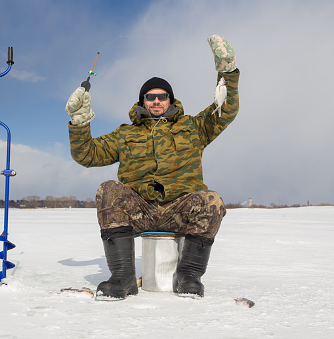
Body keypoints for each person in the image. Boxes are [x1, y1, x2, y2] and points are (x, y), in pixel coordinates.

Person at [65, 35, 240, 300]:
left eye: (162, 96)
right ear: (142, 101)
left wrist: (227, 73)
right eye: (150, 97)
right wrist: (79, 123)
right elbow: (87, 154)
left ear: (170, 99)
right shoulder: (125, 134)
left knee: (211, 200)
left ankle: (189, 277)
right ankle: (123, 279)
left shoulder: (194, 127)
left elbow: (225, 109)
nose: (156, 101)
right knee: (109, 189)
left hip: (180, 210)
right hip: (139, 212)